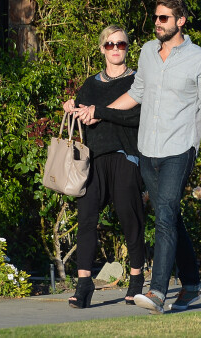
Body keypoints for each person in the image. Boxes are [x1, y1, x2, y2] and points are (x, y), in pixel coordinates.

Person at [78, 0, 201, 314]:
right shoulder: (146, 53)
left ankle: (157, 292)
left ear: (180, 21)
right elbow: (135, 94)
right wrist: (98, 112)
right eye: (156, 17)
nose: (158, 22)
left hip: (180, 148)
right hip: (147, 150)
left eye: (164, 18)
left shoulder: (200, 60)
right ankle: (192, 282)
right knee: (170, 215)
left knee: (166, 217)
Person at [63, 25, 145, 308]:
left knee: (129, 217)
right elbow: (85, 119)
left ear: (127, 47)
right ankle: (83, 285)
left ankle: (136, 280)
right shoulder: (90, 84)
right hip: (94, 158)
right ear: (101, 48)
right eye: (109, 45)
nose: (115, 49)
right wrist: (73, 109)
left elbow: (136, 117)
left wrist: (100, 112)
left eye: (120, 44)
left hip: (125, 155)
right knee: (86, 218)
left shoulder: (138, 81)